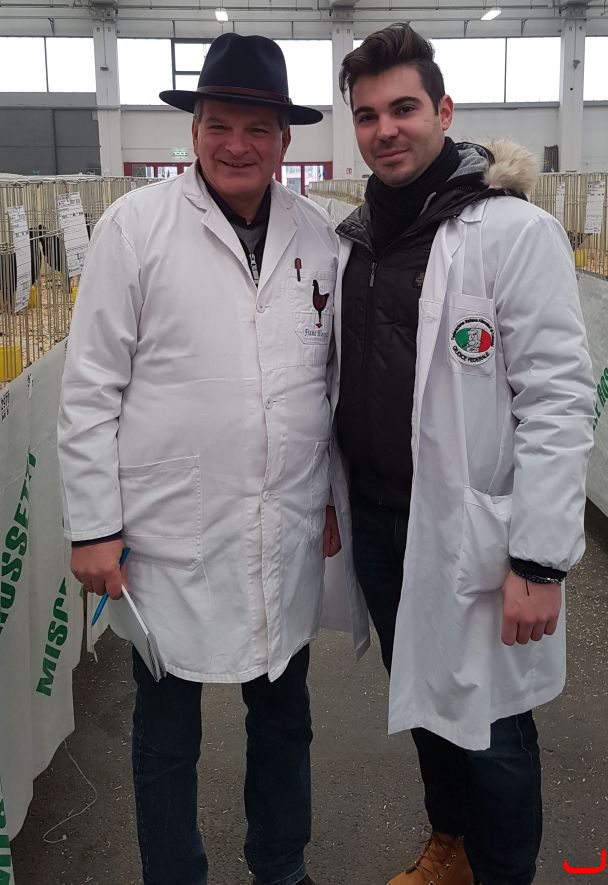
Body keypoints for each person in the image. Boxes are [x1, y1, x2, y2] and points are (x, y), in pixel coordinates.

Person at [57, 33, 344, 885]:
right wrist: (93, 527)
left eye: (257, 128)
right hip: (167, 534)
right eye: (219, 124)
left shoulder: (318, 236)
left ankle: (280, 864)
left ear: (285, 140)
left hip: (282, 524)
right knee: (166, 732)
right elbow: (90, 386)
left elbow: (326, 382)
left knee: (284, 718)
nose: (236, 145)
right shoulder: (135, 228)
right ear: (193, 132)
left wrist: (330, 494)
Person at [330, 23, 596, 885]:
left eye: (404, 108)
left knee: (495, 727)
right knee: (427, 699)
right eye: (367, 115)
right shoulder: (357, 240)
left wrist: (539, 558)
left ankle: (503, 869)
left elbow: (558, 400)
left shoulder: (511, 232)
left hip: (477, 527)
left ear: (444, 112)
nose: (386, 129)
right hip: (381, 521)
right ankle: (450, 847)